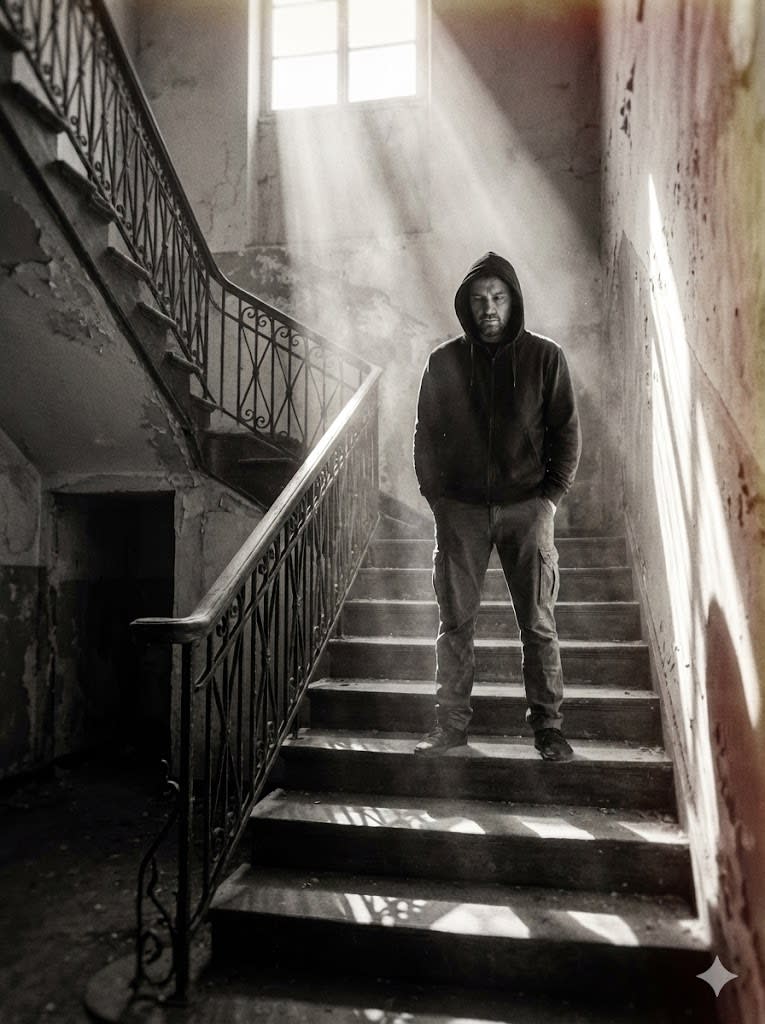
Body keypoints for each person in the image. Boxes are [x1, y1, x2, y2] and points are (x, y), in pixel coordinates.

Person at [412, 251, 582, 761]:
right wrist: (437, 500)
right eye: (479, 299)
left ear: (513, 302)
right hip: (460, 511)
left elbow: (565, 432)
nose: (489, 308)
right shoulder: (443, 362)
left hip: (527, 509)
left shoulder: (545, 358)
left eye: (498, 298)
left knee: (537, 624)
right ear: (466, 305)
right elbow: (426, 436)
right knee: (455, 623)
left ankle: (549, 729)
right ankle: (451, 728)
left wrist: (549, 499)